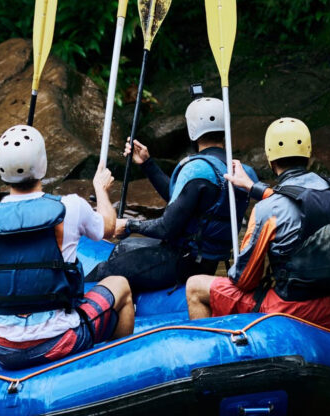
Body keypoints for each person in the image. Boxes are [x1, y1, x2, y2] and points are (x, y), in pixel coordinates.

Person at [0, 124, 135, 370]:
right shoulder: (71, 206)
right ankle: (118, 369)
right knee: (120, 285)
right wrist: (100, 190)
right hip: (61, 341)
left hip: (6, 350)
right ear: (42, 164)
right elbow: (109, 228)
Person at [186, 117, 330, 329]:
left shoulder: (267, 210)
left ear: (270, 159)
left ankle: (212, 354)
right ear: (309, 154)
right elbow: (299, 202)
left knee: (194, 286)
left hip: (290, 308)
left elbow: (245, 280)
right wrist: (251, 186)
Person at [86, 96, 258, 292]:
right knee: (123, 248)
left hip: (183, 262)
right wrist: (147, 164)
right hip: (208, 260)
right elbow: (180, 201)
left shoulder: (196, 170)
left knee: (104, 272)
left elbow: (166, 228)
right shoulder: (244, 173)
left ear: (192, 130)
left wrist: (128, 224)